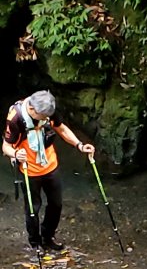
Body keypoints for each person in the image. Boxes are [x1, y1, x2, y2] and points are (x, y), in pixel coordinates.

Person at [2, 89, 95, 250]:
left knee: (56, 204)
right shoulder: (16, 118)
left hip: (50, 165)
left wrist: (79, 145)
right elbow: (6, 147)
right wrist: (16, 154)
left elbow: (61, 129)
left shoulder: (47, 109)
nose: (46, 119)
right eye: (42, 117)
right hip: (28, 169)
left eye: (47, 116)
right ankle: (35, 243)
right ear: (31, 109)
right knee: (33, 209)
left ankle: (48, 236)